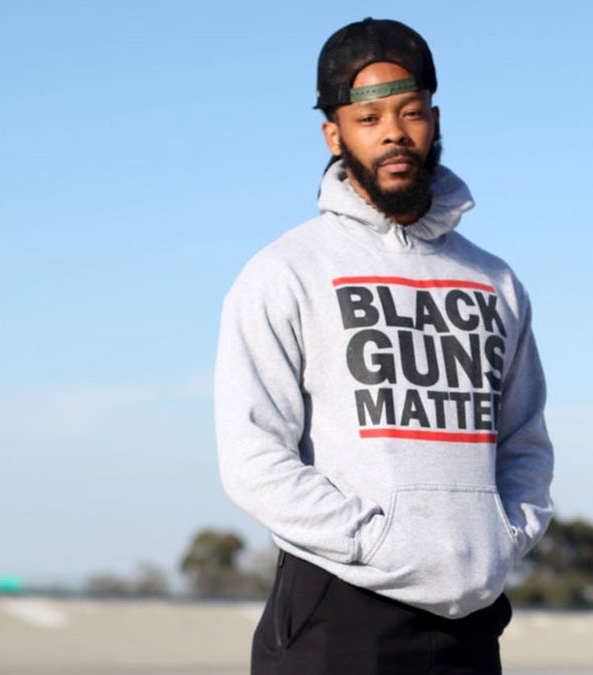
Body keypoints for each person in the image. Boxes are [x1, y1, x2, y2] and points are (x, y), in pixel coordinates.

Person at [213, 17, 555, 675]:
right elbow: (254, 455)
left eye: (410, 112)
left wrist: (500, 541)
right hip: (339, 614)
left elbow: (525, 443)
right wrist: (377, 545)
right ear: (334, 135)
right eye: (369, 118)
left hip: (470, 627)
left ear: (433, 118)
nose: (394, 131)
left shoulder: (495, 281)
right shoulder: (286, 271)